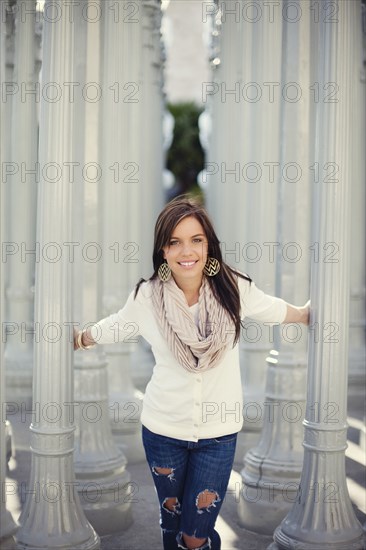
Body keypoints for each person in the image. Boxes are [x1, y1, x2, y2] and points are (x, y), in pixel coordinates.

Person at [74, 196, 310, 550]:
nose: (187, 250)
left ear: (208, 246)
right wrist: (78, 338)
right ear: (164, 251)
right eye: (175, 242)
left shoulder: (234, 288)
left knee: (195, 534)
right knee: (172, 524)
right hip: (162, 430)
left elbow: (273, 309)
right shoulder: (147, 297)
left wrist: (308, 314)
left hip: (218, 435)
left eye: (196, 240)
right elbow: (115, 326)